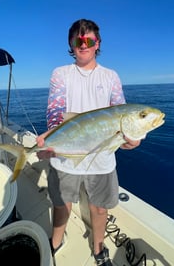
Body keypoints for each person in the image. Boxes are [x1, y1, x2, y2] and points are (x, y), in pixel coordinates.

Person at [36, 19, 141, 266]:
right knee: (62, 205)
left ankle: (98, 248)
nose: (83, 45)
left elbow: (120, 112)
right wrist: (49, 139)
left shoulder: (111, 76)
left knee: (100, 209)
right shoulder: (61, 73)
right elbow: (55, 110)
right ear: (71, 45)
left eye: (89, 40)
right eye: (78, 41)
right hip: (66, 156)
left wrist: (131, 139)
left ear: (98, 44)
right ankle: (55, 242)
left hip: (102, 158)